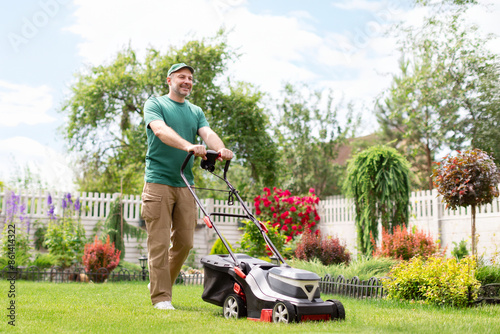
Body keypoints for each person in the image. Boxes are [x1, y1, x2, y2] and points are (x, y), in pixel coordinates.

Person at [141, 63, 233, 310]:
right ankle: (161, 297)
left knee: (185, 243)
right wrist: (188, 146)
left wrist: (220, 149)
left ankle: (162, 287)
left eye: (190, 78)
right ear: (169, 80)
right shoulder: (155, 104)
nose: (187, 81)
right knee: (159, 243)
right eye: (181, 77)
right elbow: (160, 131)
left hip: (185, 184)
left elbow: (207, 133)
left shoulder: (195, 111)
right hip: (158, 182)